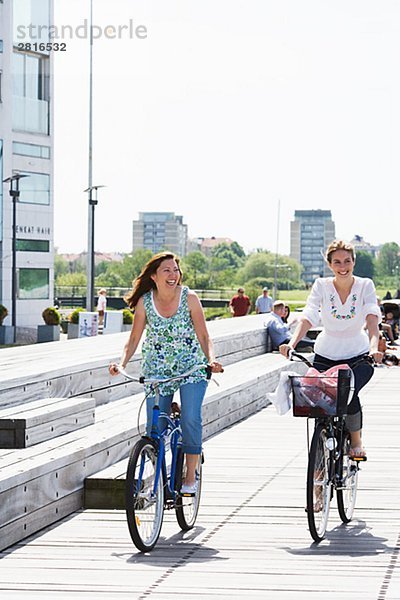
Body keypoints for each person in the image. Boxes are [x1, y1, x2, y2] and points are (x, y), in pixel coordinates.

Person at [108, 252, 223, 494]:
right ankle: (159, 477)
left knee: (191, 417)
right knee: (153, 429)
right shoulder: (145, 302)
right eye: (167, 270)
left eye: (175, 270)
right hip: (157, 370)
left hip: (191, 367)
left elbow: (204, 335)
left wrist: (211, 360)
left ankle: (190, 476)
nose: (173, 275)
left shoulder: (190, 298)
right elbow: (134, 338)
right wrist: (122, 363)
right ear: (154, 276)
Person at [279, 240, 382, 459]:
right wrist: (292, 343)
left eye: (347, 261)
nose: (342, 266)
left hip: (358, 355)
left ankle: (356, 441)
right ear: (329, 264)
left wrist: (374, 347)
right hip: (326, 354)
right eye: (337, 262)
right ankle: (319, 462)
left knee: (348, 392)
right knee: (318, 404)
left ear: (354, 262)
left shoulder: (365, 285)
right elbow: (309, 316)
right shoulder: (321, 286)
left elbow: (372, 319)